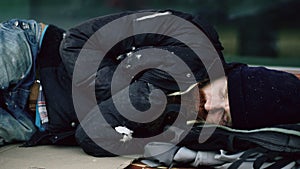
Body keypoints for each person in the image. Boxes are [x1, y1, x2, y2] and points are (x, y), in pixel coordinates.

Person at [0, 10, 299, 157]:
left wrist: (141, 104)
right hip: (31, 54)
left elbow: (88, 138)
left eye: (225, 115)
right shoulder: (190, 39)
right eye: (222, 95)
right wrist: (127, 94)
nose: (208, 106)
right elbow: (76, 42)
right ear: (227, 76)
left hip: (32, 121)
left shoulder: (187, 130)